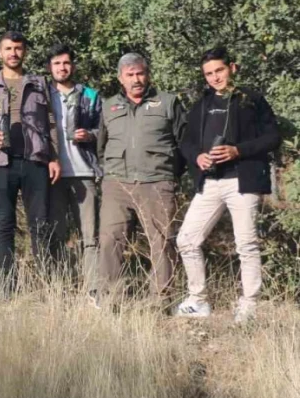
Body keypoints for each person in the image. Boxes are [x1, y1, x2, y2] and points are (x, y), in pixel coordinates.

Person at [175, 47, 280, 323]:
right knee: (186, 240)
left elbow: (272, 137)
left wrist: (238, 151)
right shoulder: (201, 104)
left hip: (242, 182)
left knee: (246, 244)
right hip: (209, 182)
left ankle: (249, 306)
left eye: (219, 70)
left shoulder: (251, 100)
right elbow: (186, 143)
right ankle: (198, 300)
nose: (214, 77)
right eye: (208, 74)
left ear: (232, 67)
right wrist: (196, 156)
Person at [97, 53, 186, 299]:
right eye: (130, 75)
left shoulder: (168, 102)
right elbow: (102, 148)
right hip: (117, 184)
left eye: (140, 73)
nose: (136, 79)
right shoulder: (108, 106)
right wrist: (112, 172)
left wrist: (168, 175)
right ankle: (110, 298)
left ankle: (162, 299)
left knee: (162, 242)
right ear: (120, 78)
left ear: (148, 74)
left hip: (157, 182)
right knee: (109, 240)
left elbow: (184, 144)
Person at [0, 32, 61, 286]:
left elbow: (50, 122)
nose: (13, 53)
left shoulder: (38, 83)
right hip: (1, 162)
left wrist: (54, 157)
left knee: (40, 224)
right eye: (8, 48)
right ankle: (7, 283)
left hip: (35, 161)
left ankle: (47, 281)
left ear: (24, 51)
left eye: (17, 48)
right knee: (4, 224)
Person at [46, 44, 103, 298]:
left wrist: (90, 134)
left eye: (66, 63)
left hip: (85, 173)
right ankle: (60, 287)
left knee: (89, 236)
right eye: (57, 63)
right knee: (57, 235)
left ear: (73, 66)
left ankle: (92, 289)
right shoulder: (43, 95)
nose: (62, 68)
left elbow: (105, 131)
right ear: (50, 67)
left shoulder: (90, 95)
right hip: (53, 176)